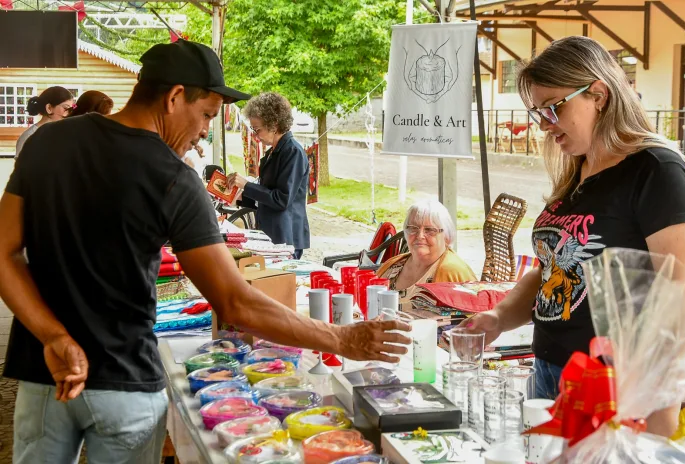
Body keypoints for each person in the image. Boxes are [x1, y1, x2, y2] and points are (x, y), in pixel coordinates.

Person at [0, 40, 409, 464]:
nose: (202, 133)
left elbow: (4, 254)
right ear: (175, 97)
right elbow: (235, 302)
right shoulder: (173, 178)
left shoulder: (48, 143)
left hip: (44, 369)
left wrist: (54, 337)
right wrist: (341, 337)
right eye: (207, 116)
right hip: (124, 382)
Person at [463, 36, 685, 437]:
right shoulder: (580, 171)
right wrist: (499, 316)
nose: (543, 124)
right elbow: (554, 268)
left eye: (552, 108)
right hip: (551, 371)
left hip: (617, 391)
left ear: (599, 95)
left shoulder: (656, 170)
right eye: (537, 112)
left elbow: (684, 296)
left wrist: (661, 412)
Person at [228, 92, 309, 260]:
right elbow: (266, 193)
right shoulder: (273, 152)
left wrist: (246, 185)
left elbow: (281, 199)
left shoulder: (292, 151)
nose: (256, 136)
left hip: (286, 236)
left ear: (274, 124)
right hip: (273, 232)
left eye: (258, 130)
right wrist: (240, 197)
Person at [376, 200, 477, 310]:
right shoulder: (393, 264)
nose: (420, 235)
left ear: (446, 237)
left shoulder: (453, 271)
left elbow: (473, 320)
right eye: (413, 228)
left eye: (430, 230)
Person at [15, 86, 74, 157]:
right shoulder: (29, 136)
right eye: (66, 108)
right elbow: (21, 167)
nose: (69, 113)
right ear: (49, 108)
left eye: (72, 109)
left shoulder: (65, 134)